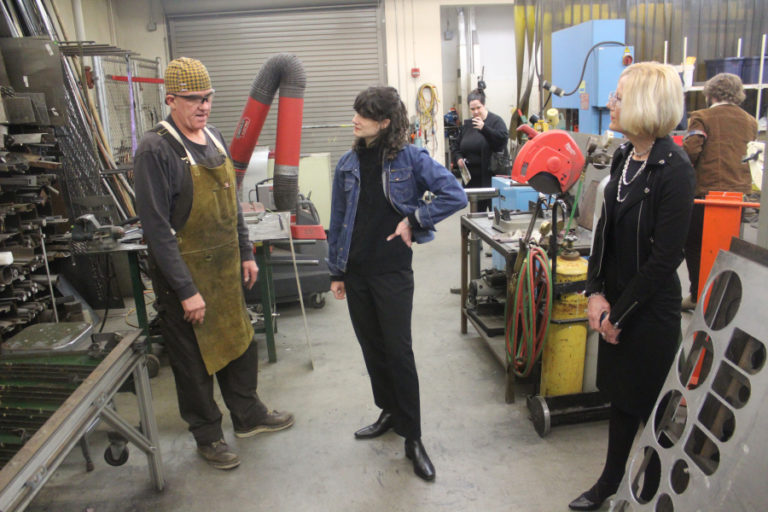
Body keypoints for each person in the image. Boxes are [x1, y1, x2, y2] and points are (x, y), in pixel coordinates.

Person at [134, 57, 294, 471]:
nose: (203, 106)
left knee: (240, 344)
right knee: (192, 364)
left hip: (224, 271)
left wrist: (244, 250)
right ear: (171, 99)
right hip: (183, 277)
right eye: (193, 100)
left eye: (208, 98)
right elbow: (156, 230)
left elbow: (231, 204)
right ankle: (207, 436)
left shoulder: (216, 137)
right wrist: (186, 291)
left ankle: (248, 415)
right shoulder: (156, 149)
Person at [570, 62, 695, 510]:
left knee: (653, 412)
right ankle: (609, 483)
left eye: (619, 97)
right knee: (621, 402)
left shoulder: (674, 169)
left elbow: (666, 260)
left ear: (644, 104)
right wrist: (595, 293)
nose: (610, 104)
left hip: (649, 314)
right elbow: (604, 234)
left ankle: (656, 493)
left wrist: (617, 315)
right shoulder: (625, 157)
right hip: (616, 305)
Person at [327, 86, 467, 482]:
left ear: (385, 122)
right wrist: (337, 272)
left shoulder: (409, 158)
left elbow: (453, 194)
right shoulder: (346, 164)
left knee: (398, 352)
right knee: (372, 348)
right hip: (356, 273)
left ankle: (414, 436)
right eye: (356, 112)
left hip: (391, 273)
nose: (355, 119)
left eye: (365, 115)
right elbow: (338, 221)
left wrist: (415, 219)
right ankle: (388, 410)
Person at [682, 72, 757, 310]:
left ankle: (697, 296)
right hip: (739, 197)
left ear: (710, 93)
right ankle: (725, 300)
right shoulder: (750, 121)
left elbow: (691, 150)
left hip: (706, 194)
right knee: (730, 249)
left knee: (694, 245)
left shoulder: (701, 117)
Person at [450, 88, 509, 211]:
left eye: (478, 108)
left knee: (496, 219)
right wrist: (459, 158)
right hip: (474, 184)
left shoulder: (496, 122)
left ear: (484, 105)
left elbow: (501, 141)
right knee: (477, 220)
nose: (476, 112)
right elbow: (456, 147)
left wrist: (484, 128)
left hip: (492, 182)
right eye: (472, 109)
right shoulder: (467, 125)